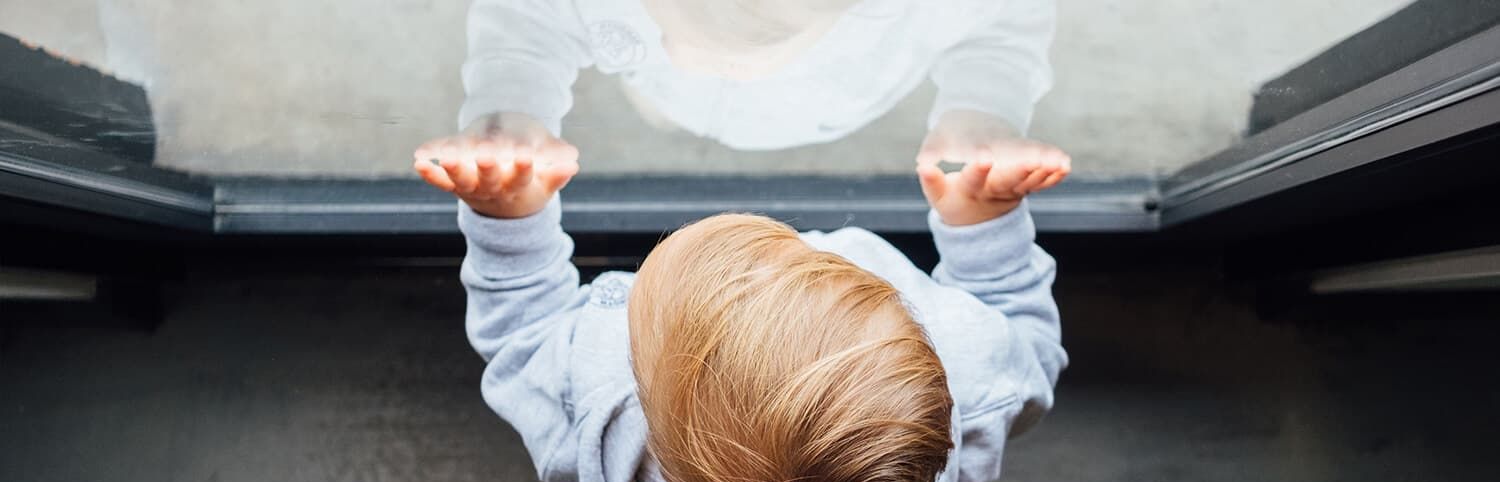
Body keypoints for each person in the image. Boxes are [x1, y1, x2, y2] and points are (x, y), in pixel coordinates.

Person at [411, 133, 1068, 482]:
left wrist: (508, 217)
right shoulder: (967, 367)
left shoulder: (596, 412)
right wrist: (984, 225)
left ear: (642, 382)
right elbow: (1028, 347)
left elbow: (525, 336)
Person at [437, 0, 1069, 174]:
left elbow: (1005, 27)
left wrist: (980, 109)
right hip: (661, 94)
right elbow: (525, 22)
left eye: (746, 48)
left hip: (836, 104)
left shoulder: (925, 10)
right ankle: (664, 107)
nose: (713, 65)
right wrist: (509, 106)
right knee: (662, 107)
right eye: (668, 23)